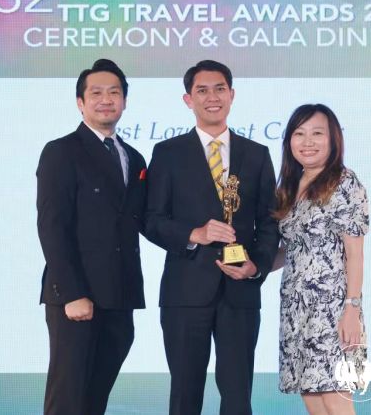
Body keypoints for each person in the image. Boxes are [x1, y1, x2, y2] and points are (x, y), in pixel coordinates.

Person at [145, 60, 279, 415]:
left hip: (240, 292)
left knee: (238, 397)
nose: (212, 97)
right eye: (202, 91)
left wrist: (256, 266)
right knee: (185, 395)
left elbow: (270, 223)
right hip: (185, 292)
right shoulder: (168, 153)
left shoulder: (257, 154)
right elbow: (151, 219)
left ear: (232, 95)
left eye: (219, 89)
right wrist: (194, 234)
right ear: (188, 99)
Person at [36, 59, 147, 415]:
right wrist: (73, 293)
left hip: (120, 297)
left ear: (124, 101)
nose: (106, 100)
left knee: (94, 401)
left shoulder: (134, 157)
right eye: (96, 93)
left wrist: (195, 234)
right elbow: (52, 226)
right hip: (77, 297)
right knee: (67, 400)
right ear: (80, 102)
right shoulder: (61, 151)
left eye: (114, 92)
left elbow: (143, 220)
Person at [272, 104, 369, 415]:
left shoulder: (344, 182)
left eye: (317, 133)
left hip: (332, 307)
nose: (307, 142)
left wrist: (352, 309)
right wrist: (250, 265)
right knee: (312, 398)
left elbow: (355, 253)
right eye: (299, 134)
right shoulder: (288, 187)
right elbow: (292, 250)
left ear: (333, 139)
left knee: (335, 396)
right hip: (295, 306)